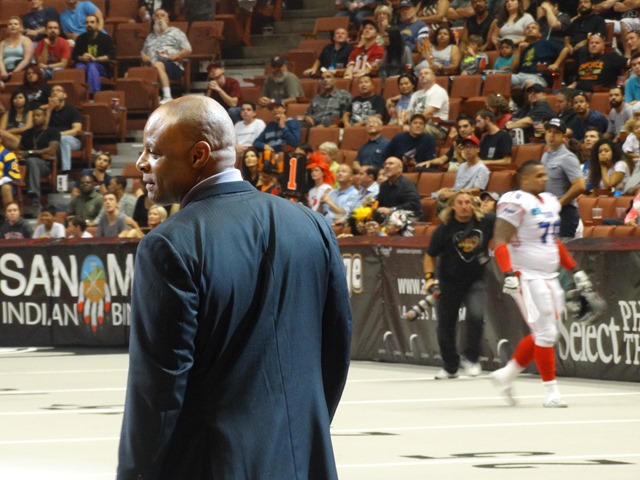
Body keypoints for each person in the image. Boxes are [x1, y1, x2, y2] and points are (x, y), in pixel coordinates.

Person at [116, 96, 351, 479]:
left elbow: (158, 389)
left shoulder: (168, 245)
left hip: (214, 465)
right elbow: (335, 351)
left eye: (154, 152)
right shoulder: (312, 225)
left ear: (199, 155)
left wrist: (135, 474)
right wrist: (302, 431)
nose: (141, 162)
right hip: (303, 460)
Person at [490, 160, 596, 408]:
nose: (544, 179)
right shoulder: (515, 201)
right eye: (538, 175)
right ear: (523, 178)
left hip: (549, 275)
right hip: (526, 276)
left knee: (546, 332)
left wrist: (575, 269)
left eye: (545, 174)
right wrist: (508, 273)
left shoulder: (549, 201)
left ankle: (506, 375)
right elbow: (500, 240)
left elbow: (553, 242)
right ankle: (551, 392)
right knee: (546, 333)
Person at [423, 189, 495, 379]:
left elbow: (506, 225)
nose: (465, 206)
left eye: (468, 202)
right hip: (449, 282)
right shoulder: (444, 229)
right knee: (445, 324)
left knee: (476, 316)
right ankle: (450, 367)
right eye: (460, 203)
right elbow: (430, 255)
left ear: (473, 204)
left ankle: (471, 358)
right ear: (453, 206)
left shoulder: (486, 222)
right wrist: (429, 278)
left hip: (475, 281)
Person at [1, 107, 60, 217]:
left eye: (38, 115)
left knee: (32, 161)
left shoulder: (53, 131)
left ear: (45, 117)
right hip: (25, 165)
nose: (35, 118)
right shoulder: (28, 133)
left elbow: (51, 150)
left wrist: (30, 152)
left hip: (44, 165)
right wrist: (19, 154)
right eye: (33, 116)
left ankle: (35, 199)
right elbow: (20, 148)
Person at [540, 118, 586, 237]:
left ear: (563, 137)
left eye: (556, 132)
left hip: (565, 212)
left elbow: (580, 185)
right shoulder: (545, 156)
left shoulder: (568, 157)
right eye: (549, 131)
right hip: (549, 211)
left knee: (563, 247)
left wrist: (559, 204)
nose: (552, 135)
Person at [141, 8, 192, 105]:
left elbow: (188, 49)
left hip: (172, 64)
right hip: (152, 66)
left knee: (158, 65)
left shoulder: (176, 32)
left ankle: (167, 96)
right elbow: (143, 52)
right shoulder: (150, 36)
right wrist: (144, 57)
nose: (159, 18)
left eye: (162, 15)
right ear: (154, 20)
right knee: (132, 73)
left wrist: (176, 55)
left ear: (167, 19)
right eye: (157, 16)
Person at [510, 21, 563, 90]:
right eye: (528, 28)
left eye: (533, 28)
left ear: (540, 34)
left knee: (529, 83)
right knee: (502, 79)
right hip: (520, 75)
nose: (530, 29)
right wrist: (519, 50)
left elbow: (565, 49)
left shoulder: (546, 43)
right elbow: (513, 68)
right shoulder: (524, 48)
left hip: (537, 76)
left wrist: (556, 64)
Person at [436, 135, 490, 202]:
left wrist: (452, 194)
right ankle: (433, 197)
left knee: (437, 204)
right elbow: (456, 188)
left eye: (470, 147)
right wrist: (447, 190)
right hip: (454, 197)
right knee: (434, 196)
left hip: (467, 200)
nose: (467, 150)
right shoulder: (461, 166)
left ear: (478, 149)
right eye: (465, 147)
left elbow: (476, 191)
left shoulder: (482, 169)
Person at [72, 14, 116, 94]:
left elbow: (112, 55)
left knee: (91, 65)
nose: (89, 24)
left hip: (101, 66)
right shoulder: (80, 38)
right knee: (79, 67)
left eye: (92, 22)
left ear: (97, 24)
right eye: (87, 22)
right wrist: (81, 58)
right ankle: (78, 95)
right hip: (84, 64)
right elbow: (74, 55)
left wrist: (95, 59)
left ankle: (93, 93)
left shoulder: (106, 38)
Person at [46, 84, 83, 173]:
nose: (55, 93)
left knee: (63, 139)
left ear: (65, 95)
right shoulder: (48, 111)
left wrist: (59, 134)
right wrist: (49, 110)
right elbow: (42, 129)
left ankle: (66, 171)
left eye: (58, 91)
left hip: (72, 141)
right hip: (53, 142)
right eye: (53, 91)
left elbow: (76, 130)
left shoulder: (72, 110)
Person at [375, 156, 425, 221]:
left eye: (391, 164)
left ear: (400, 169)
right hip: (390, 216)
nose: (387, 166)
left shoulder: (407, 184)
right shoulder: (384, 185)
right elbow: (379, 203)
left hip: (409, 217)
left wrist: (392, 209)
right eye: (385, 164)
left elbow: (414, 204)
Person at [407, 67, 450, 140]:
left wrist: (411, 126)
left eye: (426, 73)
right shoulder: (415, 94)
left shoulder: (438, 91)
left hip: (436, 128)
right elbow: (408, 114)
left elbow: (428, 114)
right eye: (420, 74)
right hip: (416, 125)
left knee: (406, 130)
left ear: (433, 77)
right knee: (395, 128)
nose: (422, 75)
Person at [0, 17, 35, 83]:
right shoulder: (3, 43)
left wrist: (14, 73)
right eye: (10, 24)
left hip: (21, 70)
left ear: (21, 27)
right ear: (7, 28)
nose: (13, 26)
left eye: (15, 24)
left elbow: (27, 59)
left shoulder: (26, 41)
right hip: (4, 71)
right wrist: (3, 71)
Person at [0, 139, 21, 209]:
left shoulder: (8, 154)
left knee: (6, 188)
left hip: (4, 183)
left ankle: (9, 213)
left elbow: (12, 174)